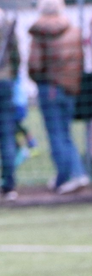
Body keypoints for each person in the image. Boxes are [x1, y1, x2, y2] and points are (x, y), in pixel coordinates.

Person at [28, 0, 90, 194]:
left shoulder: (41, 31)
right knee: (65, 133)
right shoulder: (73, 30)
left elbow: (35, 64)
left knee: (56, 135)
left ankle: (68, 176)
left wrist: (39, 79)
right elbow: (80, 61)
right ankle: (74, 173)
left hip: (50, 87)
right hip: (69, 88)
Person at [1, 8, 20, 201]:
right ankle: (9, 185)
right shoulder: (6, 23)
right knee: (7, 136)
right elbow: (16, 56)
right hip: (5, 82)